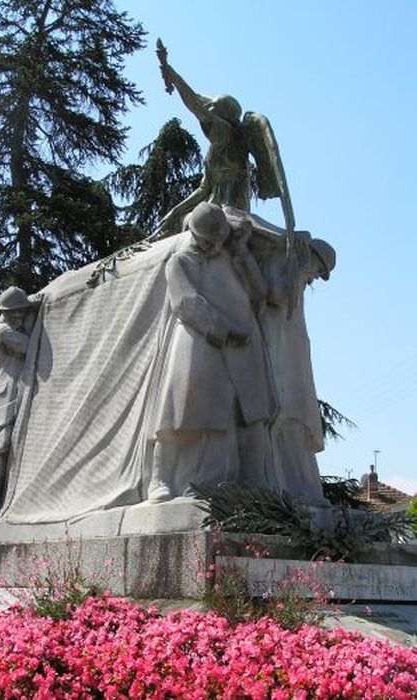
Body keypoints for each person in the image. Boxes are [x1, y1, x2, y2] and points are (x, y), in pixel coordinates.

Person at [147, 202, 277, 503]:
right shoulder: (179, 262)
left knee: (242, 414)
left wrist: (243, 251)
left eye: (218, 240)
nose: (213, 246)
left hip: (243, 348)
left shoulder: (232, 258)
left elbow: (260, 293)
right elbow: (186, 303)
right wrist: (226, 328)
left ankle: (241, 483)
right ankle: (160, 478)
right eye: (208, 240)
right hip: (199, 341)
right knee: (179, 411)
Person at [154, 41, 289, 237]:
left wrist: (170, 71)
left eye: (213, 108)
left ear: (225, 115)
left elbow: (196, 105)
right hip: (212, 209)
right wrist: (174, 212)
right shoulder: (215, 149)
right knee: (181, 222)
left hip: (229, 213)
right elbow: (204, 189)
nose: (209, 110)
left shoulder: (226, 135)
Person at [257, 232, 336, 502]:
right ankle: (282, 482)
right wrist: (300, 271)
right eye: (318, 269)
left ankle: (299, 484)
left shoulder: (299, 273)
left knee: (299, 414)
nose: (316, 276)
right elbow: (275, 295)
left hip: (293, 353)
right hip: (276, 351)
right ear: (311, 256)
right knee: (283, 411)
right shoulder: (286, 263)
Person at [0, 286, 41, 521]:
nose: (19, 316)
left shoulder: (11, 325)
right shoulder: (4, 332)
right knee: (2, 445)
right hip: (6, 393)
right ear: (5, 313)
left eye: (21, 312)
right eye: (15, 312)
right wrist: (35, 310)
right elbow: (30, 346)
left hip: (23, 388)